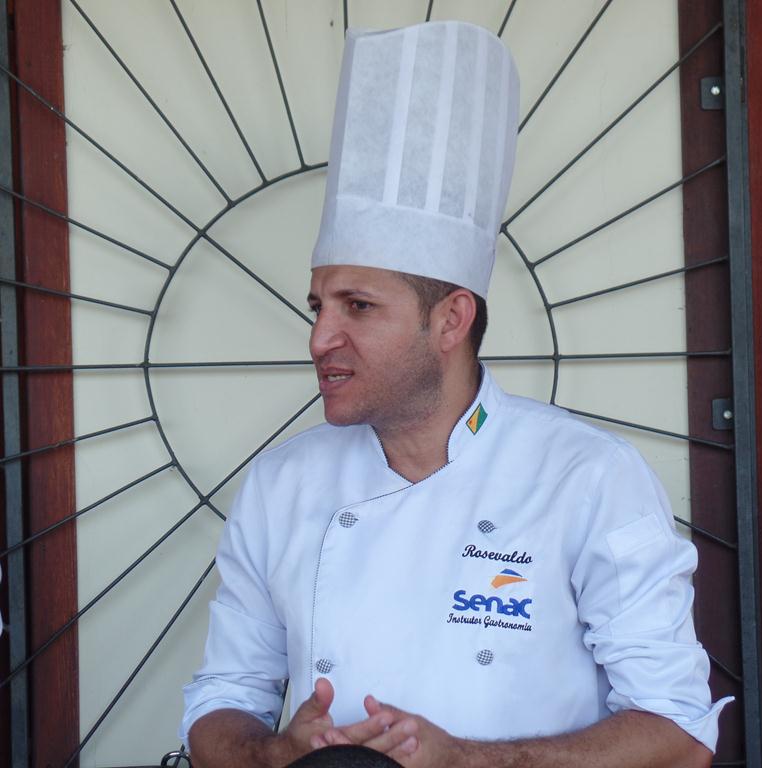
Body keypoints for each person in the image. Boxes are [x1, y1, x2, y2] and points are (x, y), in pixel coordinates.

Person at [180, 21, 730, 768]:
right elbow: (218, 704)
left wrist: (466, 760)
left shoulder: (588, 477)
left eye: (358, 306)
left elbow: (681, 735)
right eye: (318, 306)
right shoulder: (281, 485)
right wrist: (276, 753)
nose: (319, 338)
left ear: (451, 320)